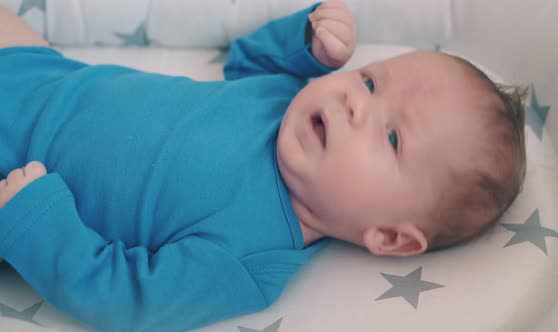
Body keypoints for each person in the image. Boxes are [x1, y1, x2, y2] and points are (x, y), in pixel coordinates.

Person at [0, 1, 526, 331]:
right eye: (369, 81)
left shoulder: (247, 259)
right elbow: (247, 65)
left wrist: (37, 222)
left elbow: (128, 300)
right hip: (45, 72)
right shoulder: (286, 98)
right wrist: (306, 43)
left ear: (389, 236)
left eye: (391, 137)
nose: (355, 104)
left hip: (16, 169)